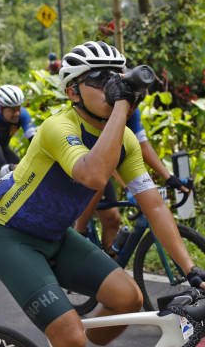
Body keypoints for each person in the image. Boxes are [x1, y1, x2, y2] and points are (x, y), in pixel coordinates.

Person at [0, 41, 205, 347]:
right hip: (10, 238)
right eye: (99, 79)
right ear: (72, 92)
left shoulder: (125, 140)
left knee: (128, 299)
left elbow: (153, 204)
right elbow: (92, 175)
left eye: (116, 77)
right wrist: (121, 104)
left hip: (55, 236)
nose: (111, 85)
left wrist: (191, 269)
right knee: (70, 338)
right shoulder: (58, 127)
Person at [74, 106, 189, 253]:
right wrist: (128, 186)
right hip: (85, 161)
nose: (129, 112)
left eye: (133, 107)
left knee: (112, 220)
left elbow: (143, 146)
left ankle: (111, 263)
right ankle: (78, 233)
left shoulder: (133, 110)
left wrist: (169, 177)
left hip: (105, 164)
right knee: (98, 184)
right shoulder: (105, 110)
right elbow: (106, 161)